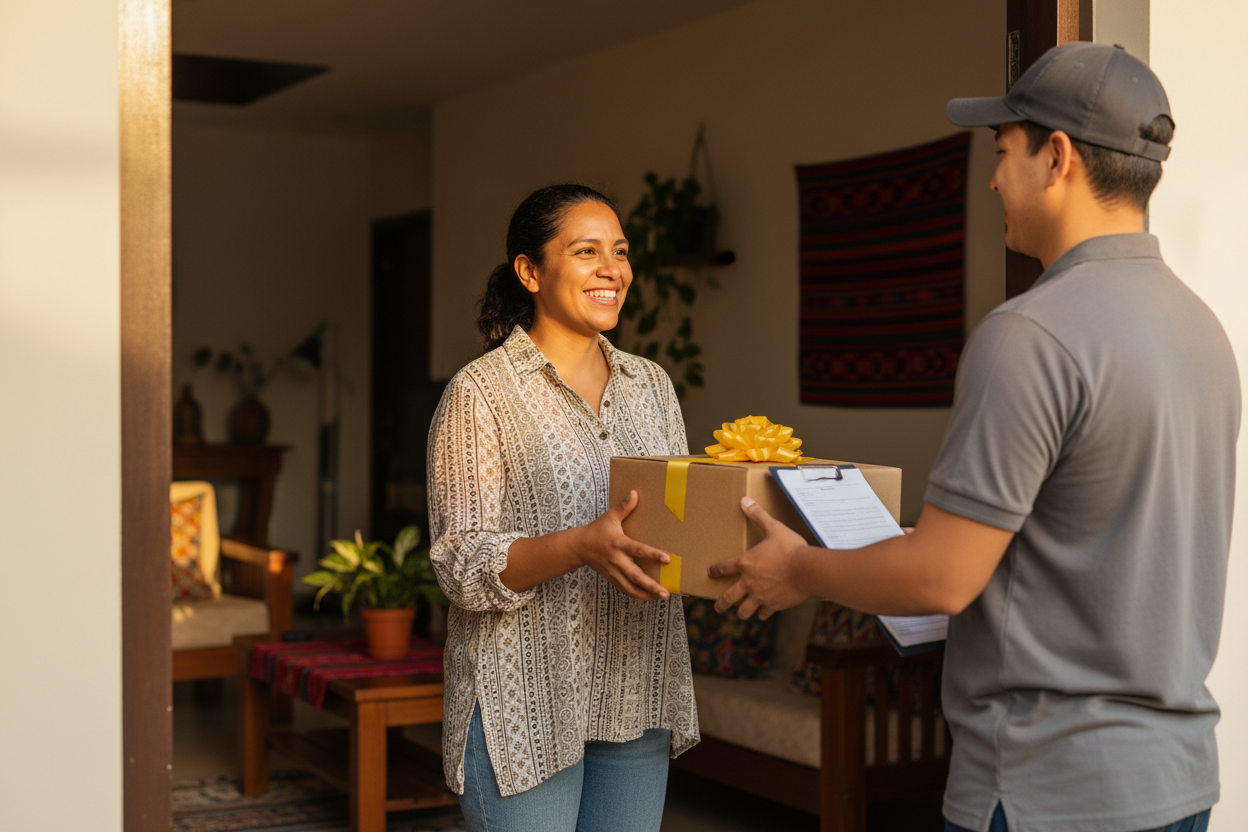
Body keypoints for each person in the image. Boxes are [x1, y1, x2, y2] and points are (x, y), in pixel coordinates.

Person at [709, 43, 1239, 832]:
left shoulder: (1029, 333)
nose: (991, 178)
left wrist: (801, 568)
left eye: (1001, 151)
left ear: (1055, 156)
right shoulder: (1206, 331)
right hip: (1176, 787)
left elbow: (941, 582)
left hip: (1044, 792)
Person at [426, 184, 698, 832]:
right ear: (530, 271)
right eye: (586, 251)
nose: (614, 269)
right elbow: (460, 564)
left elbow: (682, 518)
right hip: (525, 703)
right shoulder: (479, 394)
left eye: (621, 252)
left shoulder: (652, 386)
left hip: (635, 689)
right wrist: (579, 546)